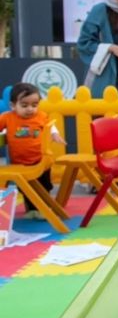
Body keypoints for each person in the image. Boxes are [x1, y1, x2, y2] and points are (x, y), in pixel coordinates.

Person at [0, 83, 66, 217]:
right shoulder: (7, 117)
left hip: (40, 160)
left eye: (34, 105)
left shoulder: (41, 116)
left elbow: (50, 126)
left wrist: (55, 134)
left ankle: (44, 208)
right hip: (19, 162)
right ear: (13, 105)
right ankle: (31, 209)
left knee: (44, 186)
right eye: (24, 106)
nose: (30, 109)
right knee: (25, 188)